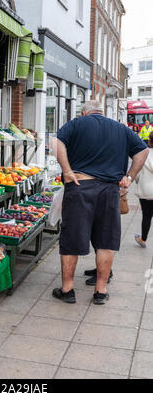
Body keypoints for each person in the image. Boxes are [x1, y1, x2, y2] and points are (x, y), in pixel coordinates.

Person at [51, 100, 148, 305]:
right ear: (101, 113)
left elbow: (56, 142)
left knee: (71, 241)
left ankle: (68, 290)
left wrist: (67, 171)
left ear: (85, 112)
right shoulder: (120, 129)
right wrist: (129, 177)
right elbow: (143, 151)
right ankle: (100, 292)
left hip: (80, 188)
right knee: (106, 241)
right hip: (109, 191)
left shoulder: (77, 123)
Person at [134, 131, 153, 248]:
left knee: (147, 215)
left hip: (146, 191)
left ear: (150, 141)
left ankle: (143, 239)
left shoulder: (144, 153)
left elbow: (137, 172)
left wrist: (137, 180)